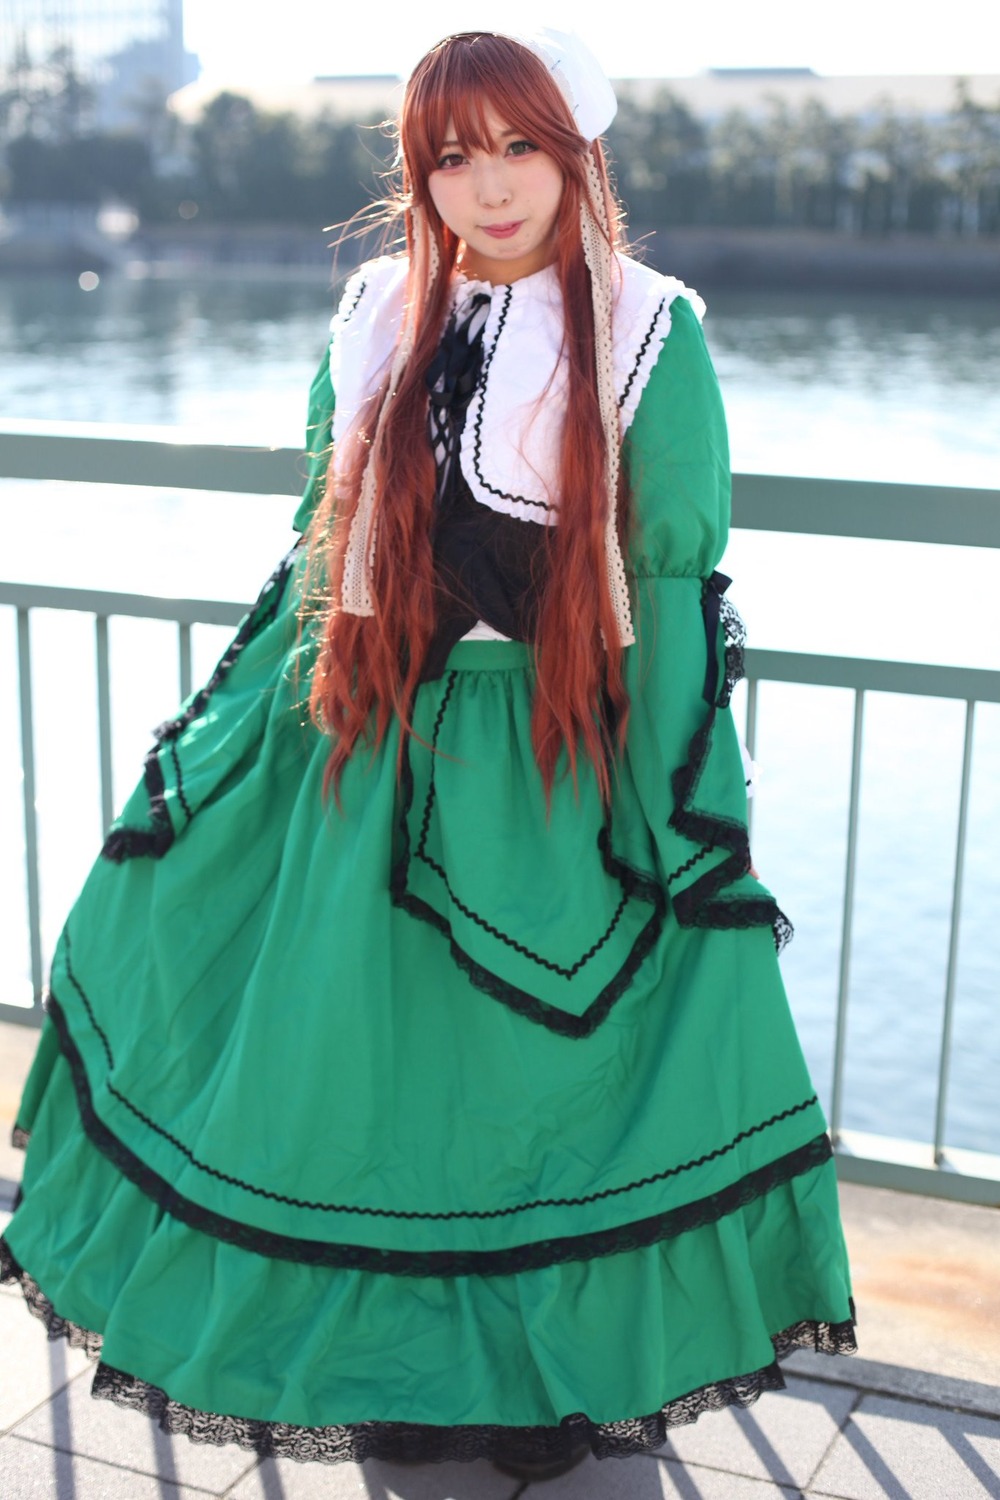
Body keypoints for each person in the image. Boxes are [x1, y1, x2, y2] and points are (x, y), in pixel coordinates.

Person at [1, 27, 855, 1482]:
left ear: (577, 151)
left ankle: (549, 1387)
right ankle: (412, 1377)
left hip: (556, 755)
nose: (488, 186)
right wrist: (236, 745)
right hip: (374, 747)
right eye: (453, 155)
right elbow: (321, 551)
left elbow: (669, 573)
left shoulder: (650, 325)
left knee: (534, 1093)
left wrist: (668, 814)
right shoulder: (377, 313)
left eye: (518, 145)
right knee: (377, 1090)